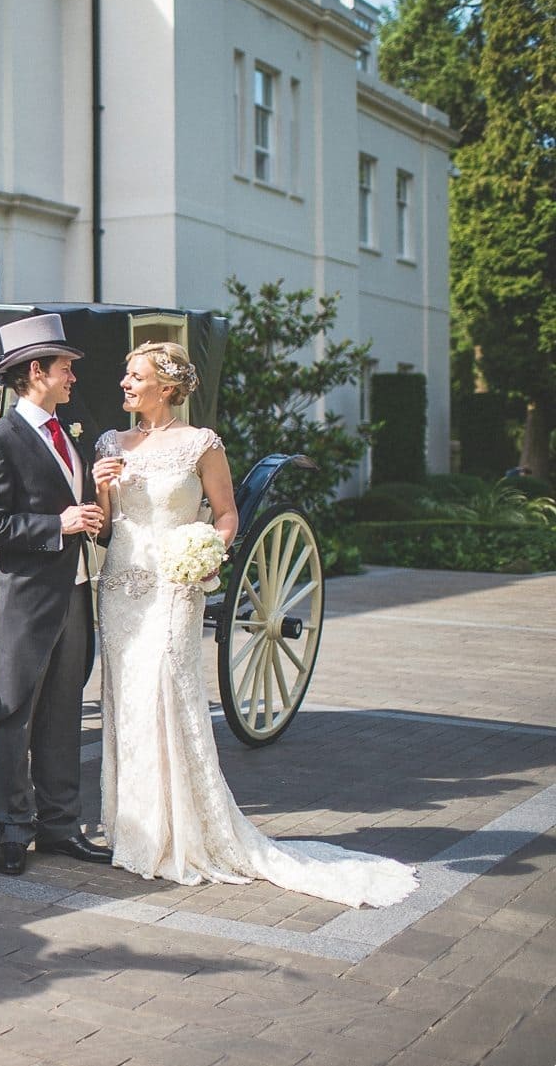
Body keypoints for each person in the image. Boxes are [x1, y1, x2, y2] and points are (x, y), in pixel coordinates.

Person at [92, 343, 417, 906]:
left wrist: (206, 553)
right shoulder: (109, 444)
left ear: (167, 388)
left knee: (167, 688)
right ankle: (135, 831)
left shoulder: (200, 444)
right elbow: (108, 519)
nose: (124, 382)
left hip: (174, 586)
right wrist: (99, 485)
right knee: (126, 698)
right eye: (125, 374)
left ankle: (184, 832)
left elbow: (225, 516)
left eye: (135, 375)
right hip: (121, 585)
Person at [0, 314, 111, 876]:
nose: (73, 376)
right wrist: (59, 524)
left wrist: (97, 507)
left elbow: (76, 507)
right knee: (16, 714)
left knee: (64, 713)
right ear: (35, 372)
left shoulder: (69, 434)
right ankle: (11, 831)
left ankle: (59, 827)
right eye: (65, 367)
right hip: (26, 597)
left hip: (74, 595)